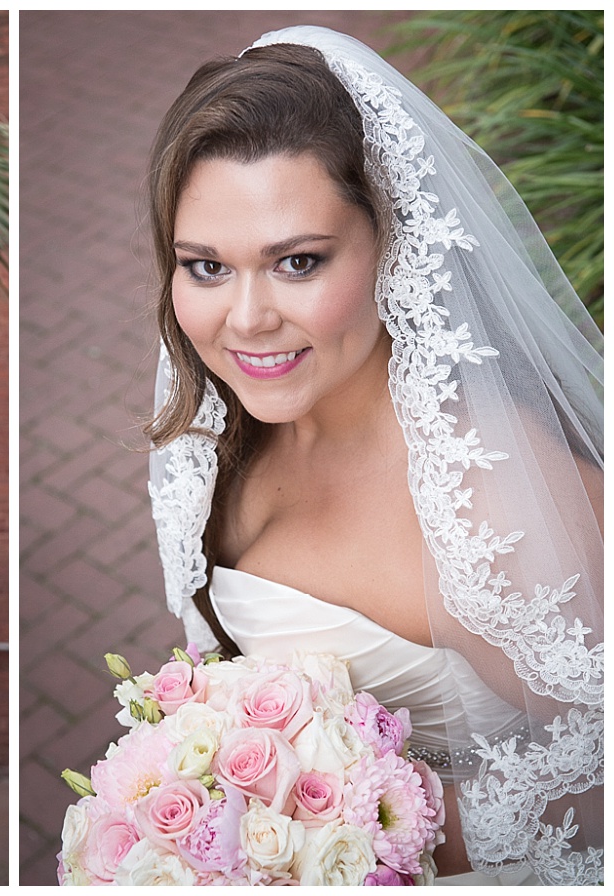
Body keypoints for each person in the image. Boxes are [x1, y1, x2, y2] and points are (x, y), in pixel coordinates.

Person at [144, 27, 601, 885]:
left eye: (299, 262)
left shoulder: (487, 499)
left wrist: (348, 846)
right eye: (206, 267)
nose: (245, 320)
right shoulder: (212, 437)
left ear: (391, 245)